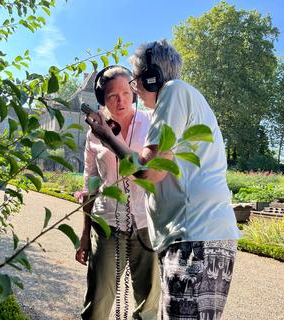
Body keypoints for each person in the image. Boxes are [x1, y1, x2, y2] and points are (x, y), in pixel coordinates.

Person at [85, 40, 242, 320]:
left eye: (134, 81)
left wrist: (109, 138)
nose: (133, 90)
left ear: (151, 76)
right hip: (198, 237)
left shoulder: (173, 92)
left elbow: (150, 171)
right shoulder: (180, 99)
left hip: (194, 237)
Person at [75, 65, 161, 320]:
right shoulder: (93, 134)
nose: (121, 100)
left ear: (134, 92)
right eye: (113, 95)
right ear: (102, 99)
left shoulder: (152, 122)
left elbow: (155, 171)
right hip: (107, 223)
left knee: (148, 305)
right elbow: (90, 182)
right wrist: (84, 234)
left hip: (147, 223)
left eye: (126, 92)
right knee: (97, 302)